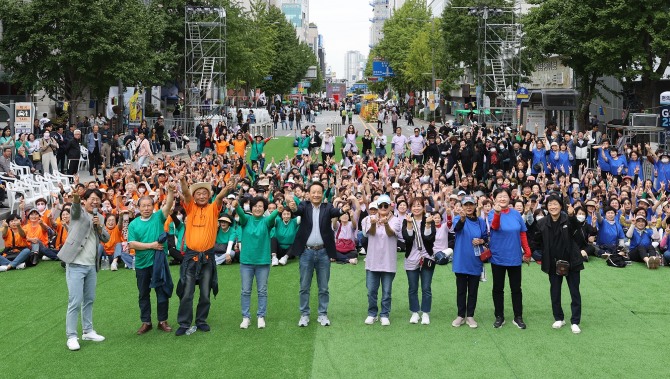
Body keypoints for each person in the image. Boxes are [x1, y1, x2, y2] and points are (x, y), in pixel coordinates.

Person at [174, 177, 233, 336]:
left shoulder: (214, 208)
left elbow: (220, 198)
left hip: (207, 258)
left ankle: (201, 321)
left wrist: (226, 188)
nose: (201, 196)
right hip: (191, 257)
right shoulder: (190, 207)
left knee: (205, 292)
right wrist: (182, 181)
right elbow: (186, 193)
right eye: (198, 194)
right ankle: (184, 323)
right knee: (187, 292)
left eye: (204, 194)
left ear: (209, 196)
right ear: (194, 197)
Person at [287, 181, 350, 327]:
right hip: (306, 252)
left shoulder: (327, 207)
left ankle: (323, 314)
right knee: (304, 286)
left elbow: (336, 212)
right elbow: (297, 210)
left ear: (322, 194)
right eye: (313, 192)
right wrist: (293, 207)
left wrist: (342, 210)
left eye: (319, 192)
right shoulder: (304, 206)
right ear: (309, 194)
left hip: (323, 253)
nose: (316, 195)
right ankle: (304, 314)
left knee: (323, 287)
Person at [57, 189, 109, 351]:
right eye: (92, 199)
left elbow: (106, 238)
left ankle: (88, 331)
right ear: (85, 200)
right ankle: (71, 336)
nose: (95, 202)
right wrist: (76, 197)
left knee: (89, 299)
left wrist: (98, 227)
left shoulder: (99, 217)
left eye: (97, 200)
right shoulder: (77, 213)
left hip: (91, 266)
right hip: (75, 264)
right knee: (75, 301)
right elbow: (75, 208)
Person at [127, 181, 176, 335]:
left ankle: (162, 320)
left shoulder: (158, 218)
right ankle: (146, 322)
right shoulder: (133, 225)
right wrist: (152, 245)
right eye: (143, 206)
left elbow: (168, 205)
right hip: (142, 264)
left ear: (153, 206)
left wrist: (170, 191)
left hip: (158, 263)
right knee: (143, 294)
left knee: (161, 292)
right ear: (138, 208)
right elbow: (132, 244)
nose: (147, 208)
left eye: (149, 205)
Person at [534, 196, 584, 334]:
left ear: (561, 206)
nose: (553, 207)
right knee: (555, 291)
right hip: (552, 263)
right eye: (550, 204)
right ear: (547, 207)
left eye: (555, 204)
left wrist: (572, 215)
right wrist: (541, 254)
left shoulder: (569, 219)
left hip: (572, 262)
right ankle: (558, 318)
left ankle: (575, 321)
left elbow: (579, 233)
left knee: (574, 292)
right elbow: (536, 240)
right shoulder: (542, 222)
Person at [488, 187, 531, 329]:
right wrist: (498, 213)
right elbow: (494, 226)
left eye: (504, 196)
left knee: (516, 289)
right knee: (498, 288)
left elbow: (522, 233)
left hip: (514, 257)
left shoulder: (516, 214)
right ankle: (499, 316)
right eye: (499, 196)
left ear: (509, 198)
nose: (502, 198)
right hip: (498, 257)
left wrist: (527, 252)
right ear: (494, 199)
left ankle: (518, 316)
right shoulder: (492, 214)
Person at [234, 196, 280, 329]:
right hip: (246, 262)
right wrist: (237, 205)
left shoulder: (266, 221)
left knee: (262, 291)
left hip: (263, 262)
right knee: (245, 291)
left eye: (260, 206)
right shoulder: (246, 220)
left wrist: (278, 210)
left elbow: (272, 218)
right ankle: (246, 317)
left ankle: (261, 316)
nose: (258, 208)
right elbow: (241, 214)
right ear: (251, 207)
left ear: (264, 209)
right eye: (255, 206)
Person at [363, 194, 399, 326]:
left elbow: (391, 233)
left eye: (386, 205)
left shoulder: (395, 220)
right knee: (371, 290)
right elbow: (370, 233)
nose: (383, 208)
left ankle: (384, 314)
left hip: (388, 262)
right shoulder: (369, 219)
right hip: (372, 261)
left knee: (387, 291)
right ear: (377, 207)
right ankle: (372, 313)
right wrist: (374, 224)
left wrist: (385, 224)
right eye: (381, 205)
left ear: (390, 206)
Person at [452, 196, 487, 328]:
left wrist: (481, 241)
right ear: (462, 206)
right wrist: (461, 219)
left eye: (470, 204)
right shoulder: (458, 218)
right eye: (466, 204)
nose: (468, 207)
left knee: (473, 290)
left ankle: (470, 316)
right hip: (461, 261)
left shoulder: (480, 221)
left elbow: (485, 237)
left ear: (474, 206)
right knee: (461, 290)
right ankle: (461, 315)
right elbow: (457, 229)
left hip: (475, 260)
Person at [402, 196, 436, 325]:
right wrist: (410, 224)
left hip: (427, 256)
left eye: (419, 205)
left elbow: (429, 238)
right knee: (413, 287)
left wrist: (427, 224)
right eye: (414, 206)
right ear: (411, 208)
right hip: (411, 257)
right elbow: (407, 239)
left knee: (426, 287)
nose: (416, 208)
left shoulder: (429, 219)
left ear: (423, 207)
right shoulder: (407, 220)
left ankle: (426, 312)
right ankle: (415, 312)